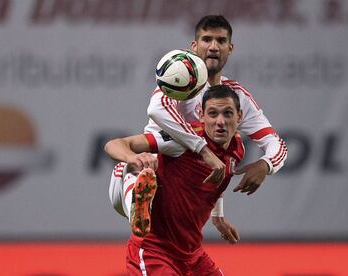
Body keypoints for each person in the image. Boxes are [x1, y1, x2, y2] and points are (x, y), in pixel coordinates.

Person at [107, 15, 287, 236]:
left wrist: (265, 165)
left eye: (221, 41)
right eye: (206, 39)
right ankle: (139, 201)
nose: (213, 47)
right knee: (142, 166)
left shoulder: (234, 97)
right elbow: (156, 108)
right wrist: (203, 150)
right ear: (194, 46)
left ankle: (143, 206)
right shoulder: (181, 78)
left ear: (230, 48)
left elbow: (274, 144)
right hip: (152, 165)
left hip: (183, 188)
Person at [106, 85, 245, 275]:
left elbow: (215, 184)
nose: (220, 122)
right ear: (201, 116)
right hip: (154, 250)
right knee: (133, 167)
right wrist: (133, 158)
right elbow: (114, 145)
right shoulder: (181, 140)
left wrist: (218, 216)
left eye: (227, 114)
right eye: (213, 114)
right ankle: (136, 200)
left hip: (193, 254)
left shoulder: (237, 150)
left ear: (240, 116)